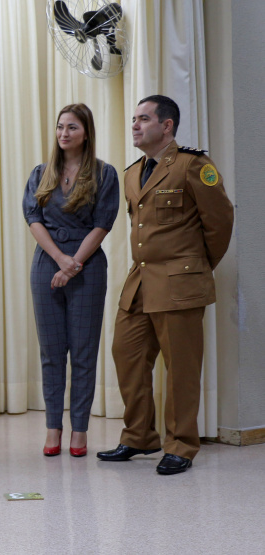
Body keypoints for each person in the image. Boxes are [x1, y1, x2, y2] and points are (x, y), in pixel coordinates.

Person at [98, 95, 234, 474]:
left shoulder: (193, 165)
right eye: (134, 119)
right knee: (126, 355)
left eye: (144, 119)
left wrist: (195, 270)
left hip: (179, 284)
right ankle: (139, 436)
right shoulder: (132, 173)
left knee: (181, 369)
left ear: (167, 125)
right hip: (140, 282)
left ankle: (181, 445)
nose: (135, 125)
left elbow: (220, 222)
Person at [22, 104, 119, 458]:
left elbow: (103, 223)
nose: (64, 133)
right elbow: (33, 218)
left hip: (87, 266)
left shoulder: (104, 174)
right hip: (47, 263)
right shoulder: (41, 172)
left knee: (83, 352)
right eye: (60, 126)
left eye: (72, 127)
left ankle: (79, 429)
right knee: (51, 353)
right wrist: (60, 260)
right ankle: (53, 427)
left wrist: (74, 263)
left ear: (86, 133)